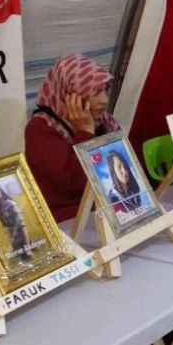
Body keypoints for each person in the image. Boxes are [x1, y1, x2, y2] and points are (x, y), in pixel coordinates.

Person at [25, 54, 120, 222]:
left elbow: (128, 168)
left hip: (107, 209)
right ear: (69, 94)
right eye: (96, 92)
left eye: (106, 90)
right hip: (68, 220)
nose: (104, 100)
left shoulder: (105, 122)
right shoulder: (40, 129)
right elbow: (78, 182)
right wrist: (86, 132)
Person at [0, 182, 32, 261]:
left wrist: (28, 249)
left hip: (25, 243)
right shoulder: (0, 209)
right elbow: (8, 228)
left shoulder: (11, 204)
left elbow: (22, 226)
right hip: (17, 244)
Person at [106, 150, 142, 215]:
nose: (124, 171)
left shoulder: (133, 190)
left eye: (125, 167)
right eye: (119, 167)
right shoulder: (113, 198)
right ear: (113, 171)